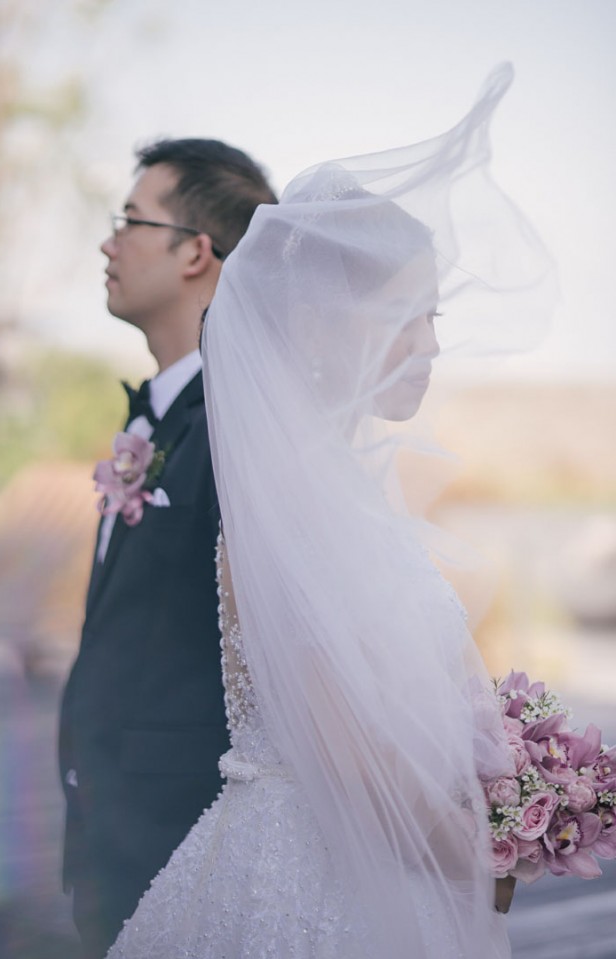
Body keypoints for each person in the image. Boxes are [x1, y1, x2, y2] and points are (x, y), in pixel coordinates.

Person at [107, 65, 554, 959]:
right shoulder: (292, 504)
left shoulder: (335, 488)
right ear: (331, 322)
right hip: (313, 879)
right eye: (413, 315)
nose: (431, 344)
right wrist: (496, 847)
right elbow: (347, 760)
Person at [58, 138, 277, 959]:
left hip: (181, 836)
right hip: (107, 829)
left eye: (130, 220)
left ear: (195, 251)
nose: (108, 243)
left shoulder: (239, 423)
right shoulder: (158, 417)